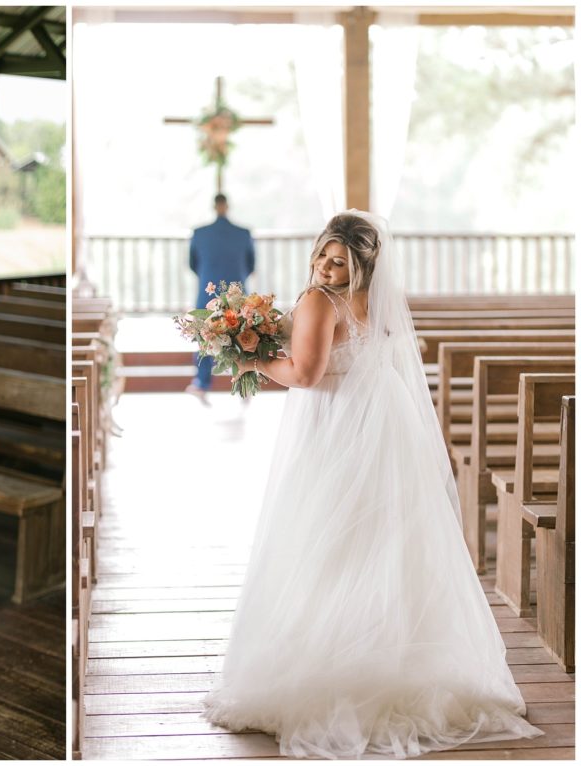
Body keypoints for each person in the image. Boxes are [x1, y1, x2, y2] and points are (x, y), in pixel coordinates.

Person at [201, 211, 542, 758]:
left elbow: (307, 375)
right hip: (384, 424)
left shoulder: (317, 301)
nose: (326, 267)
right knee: (385, 542)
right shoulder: (375, 302)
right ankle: (394, 655)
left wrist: (249, 357)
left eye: (339, 261)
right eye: (322, 256)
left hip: (337, 426)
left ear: (363, 265)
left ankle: (334, 666)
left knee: (325, 541)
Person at [186, 193, 256, 402]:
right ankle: (245, 379)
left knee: (205, 333)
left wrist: (209, 279)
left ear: (214, 206)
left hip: (207, 290)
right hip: (237, 289)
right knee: (244, 334)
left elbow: (192, 264)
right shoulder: (244, 234)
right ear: (227, 206)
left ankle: (202, 381)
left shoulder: (199, 233)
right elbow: (251, 264)